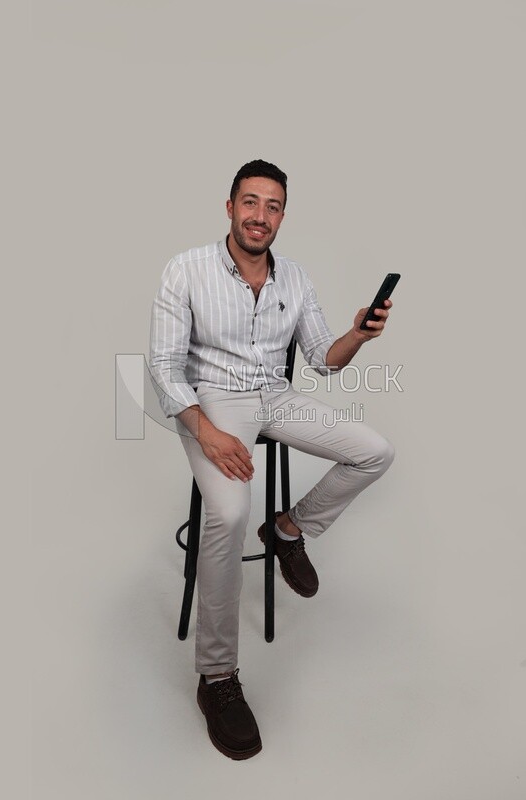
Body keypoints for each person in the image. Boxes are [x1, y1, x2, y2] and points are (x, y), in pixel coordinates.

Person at [149, 159, 395, 760]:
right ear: (230, 206)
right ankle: (217, 677)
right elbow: (160, 366)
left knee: (375, 452)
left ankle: (287, 529)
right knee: (227, 513)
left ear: (283, 216)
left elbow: (324, 360)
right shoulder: (186, 268)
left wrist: (358, 334)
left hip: (275, 396)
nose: (261, 216)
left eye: (274, 206)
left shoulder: (296, 279)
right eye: (251, 202)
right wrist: (205, 430)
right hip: (212, 403)